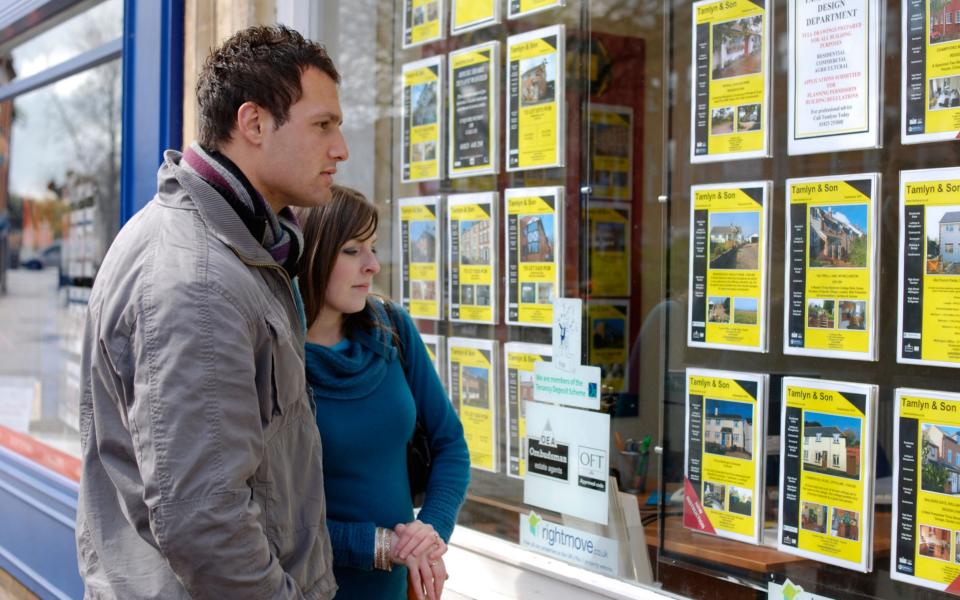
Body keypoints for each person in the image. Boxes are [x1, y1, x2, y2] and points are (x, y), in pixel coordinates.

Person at [76, 25, 348, 599]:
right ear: (253, 124)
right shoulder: (196, 280)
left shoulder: (243, 252)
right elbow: (203, 522)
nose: (340, 149)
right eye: (323, 125)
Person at [298, 185, 470, 600]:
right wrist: (378, 546)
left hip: (398, 586)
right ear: (311, 255)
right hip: (312, 588)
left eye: (372, 248)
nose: (373, 265)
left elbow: (451, 445)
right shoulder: (275, 354)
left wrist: (429, 531)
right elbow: (269, 516)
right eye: (352, 251)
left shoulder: (390, 327)